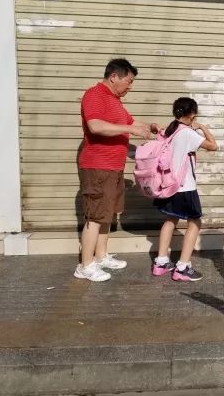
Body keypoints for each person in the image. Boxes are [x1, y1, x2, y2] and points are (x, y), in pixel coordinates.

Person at [75, 58, 160, 282]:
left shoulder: (114, 101)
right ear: (114, 77)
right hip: (98, 166)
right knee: (95, 216)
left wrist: (150, 126)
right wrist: (131, 129)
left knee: (107, 214)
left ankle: (101, 256)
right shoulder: (95, 95)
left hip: (114, 167)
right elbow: (95, 126)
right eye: (129, 81)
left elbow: (131, 123)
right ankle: (85, 265)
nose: (130, 87)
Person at [152, 97, 218, 282]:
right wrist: (202, 127)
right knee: (195, 223)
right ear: (192, 114)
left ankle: (161, 262)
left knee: (170, 219)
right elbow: (213, 146)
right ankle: (182, 267)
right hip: (185, 186)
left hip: (169, 185)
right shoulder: (188, 133)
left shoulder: (169, 130)